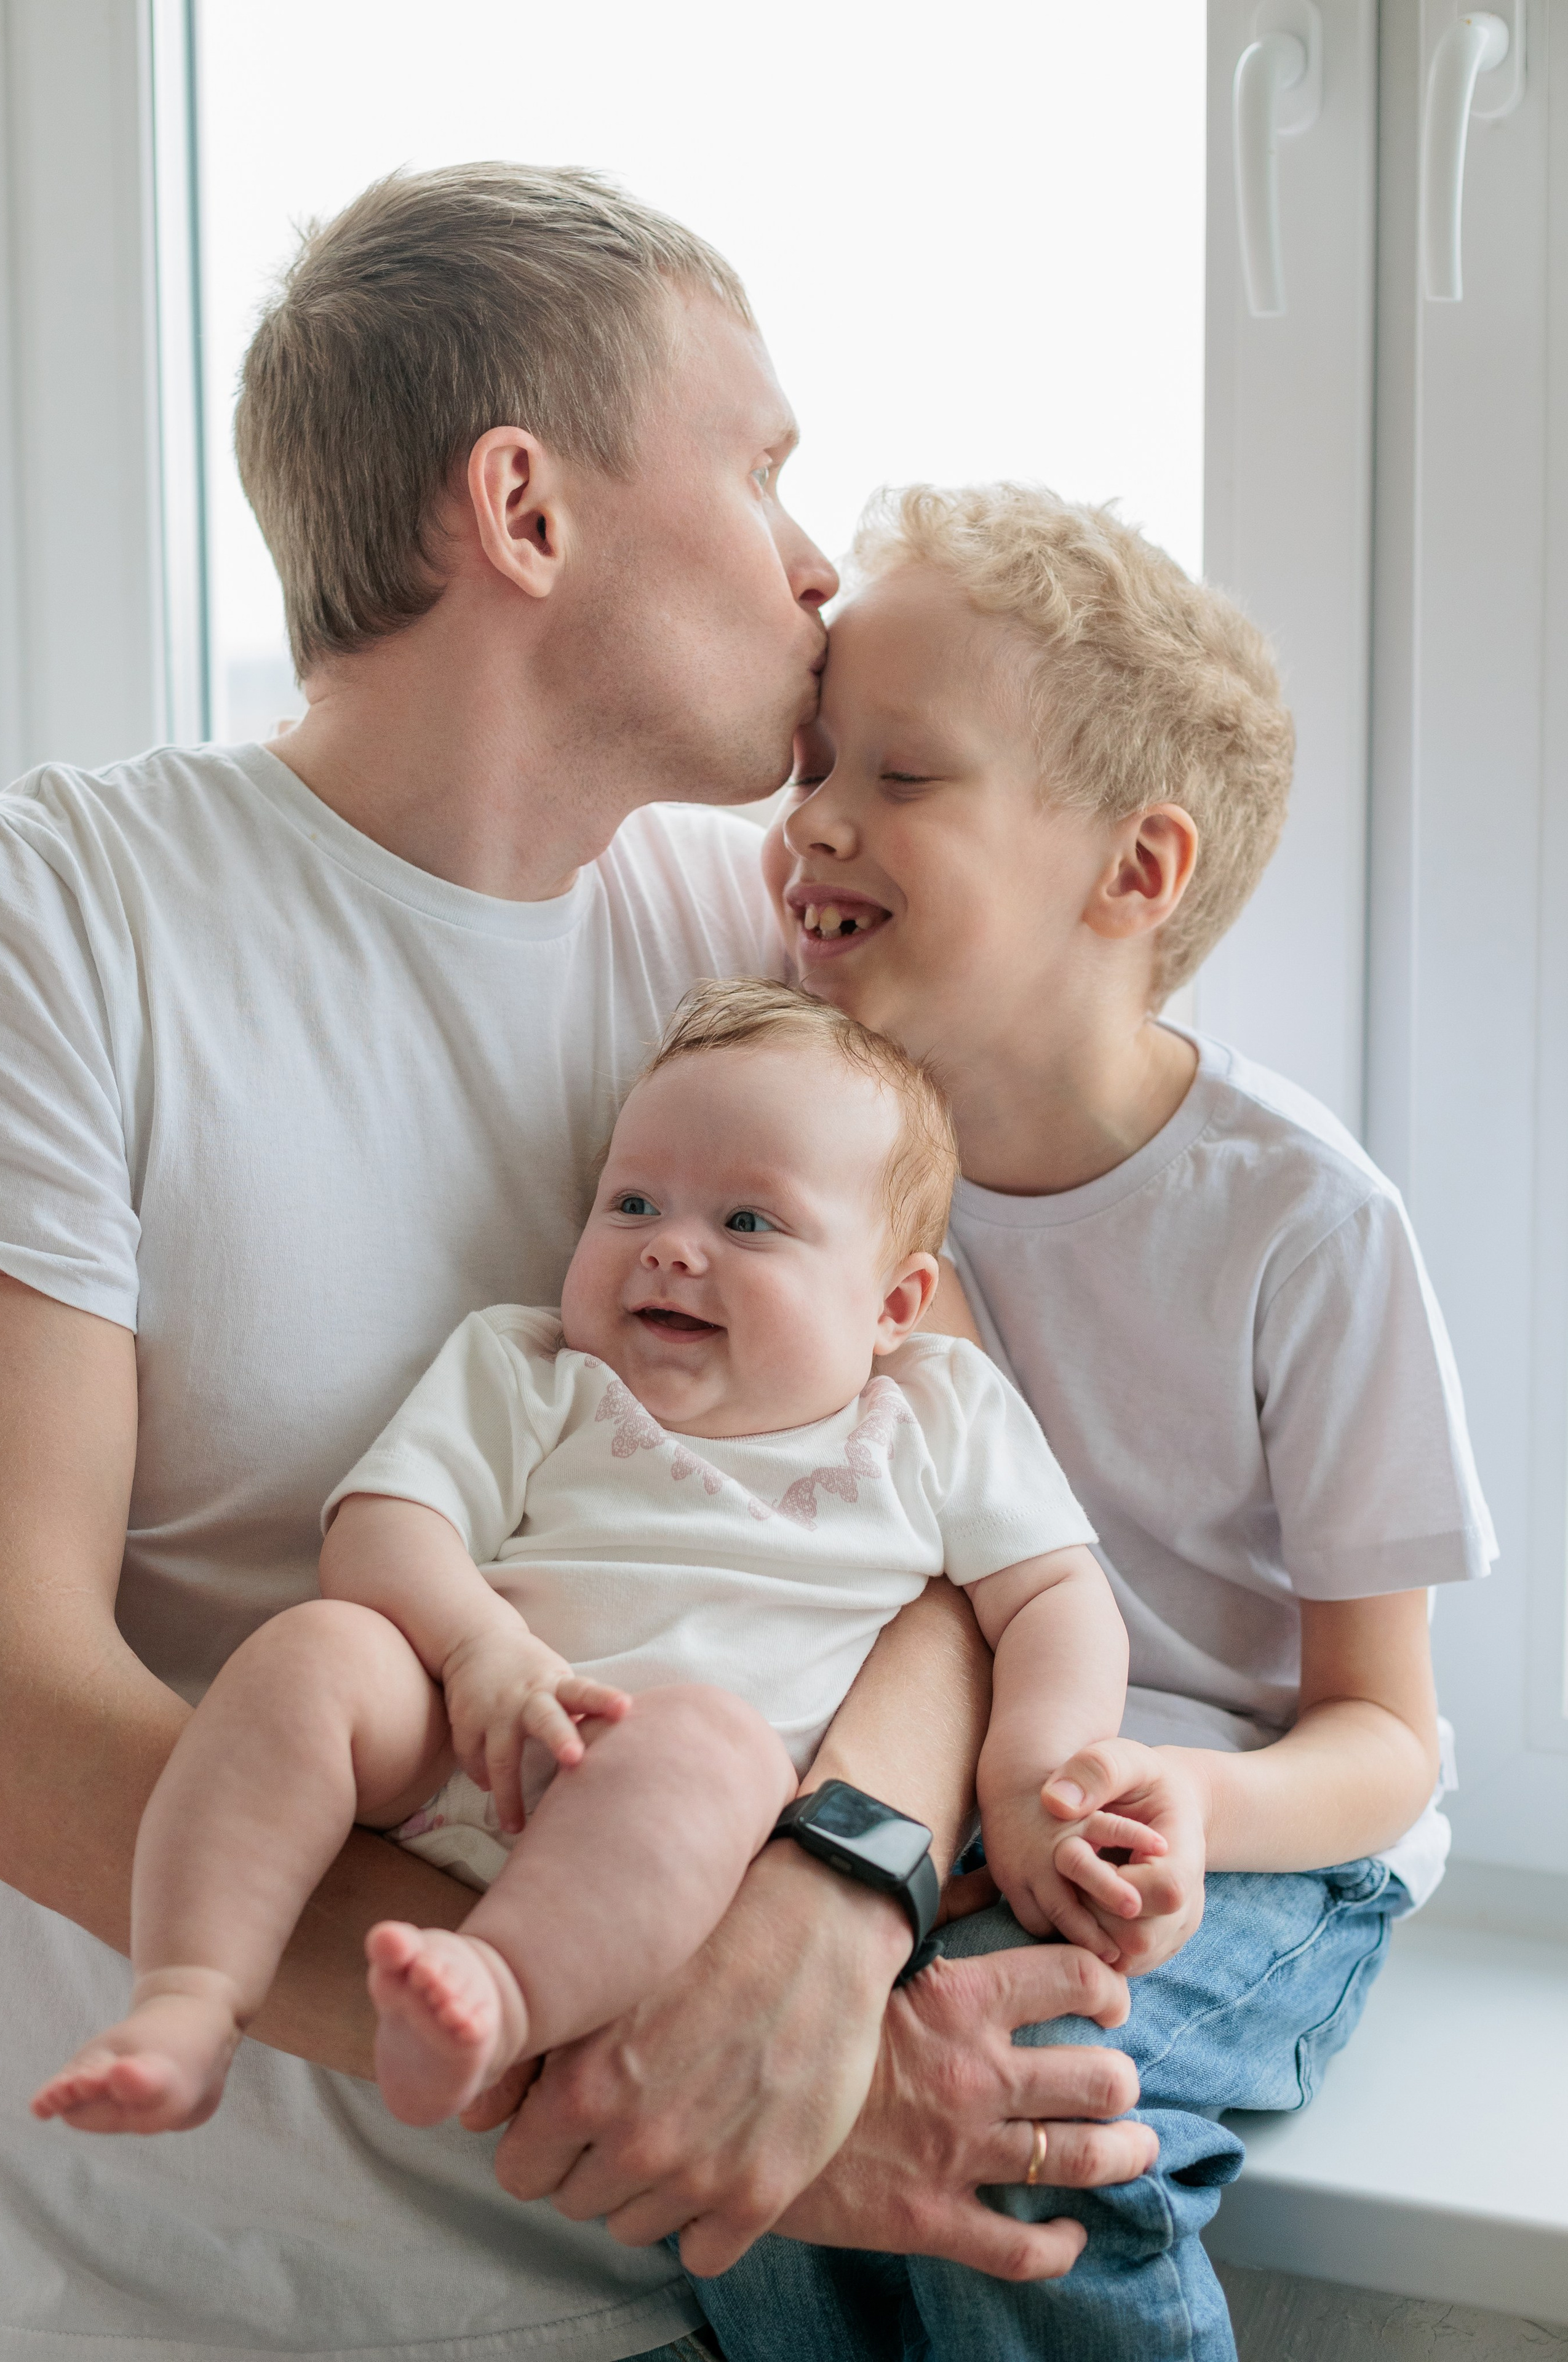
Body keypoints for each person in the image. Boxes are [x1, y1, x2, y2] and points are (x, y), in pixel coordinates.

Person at [0, 172, 1155, 2362]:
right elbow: (11, 1708)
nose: (820, 569)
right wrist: (634, 2065)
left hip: (718, 2294)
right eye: (762, 468)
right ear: (523, 511)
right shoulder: (66, 926)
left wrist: (836, 1896)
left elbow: (945, 1497)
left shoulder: (748, 933)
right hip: (217, 2303)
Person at [702, 481, 1497, 2362]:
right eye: (815, 762)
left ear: (1133, 874)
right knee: (775, 2067)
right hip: (939, 1797)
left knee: (1011, 2071)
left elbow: (1389, 1734)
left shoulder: (1301, 1221)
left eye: (902, 775)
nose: (813, 817)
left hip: (1252, 1850)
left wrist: (1188, 1804)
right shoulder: (807, 1152)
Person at [35, 979, 1161, 2140]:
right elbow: (381, 1526)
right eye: (631, 1203)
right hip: (470, 1743)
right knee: (321, 1651)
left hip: (682, 1850)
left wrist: (1033, 1781)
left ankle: (495, 2002)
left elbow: (1054, 1598)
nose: (671, 1249)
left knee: (710, 1739)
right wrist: (483, 1652)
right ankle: (187, 1998)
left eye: (747, 1224)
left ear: (895, 1304)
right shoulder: (536, 1370)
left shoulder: (935, 1411)